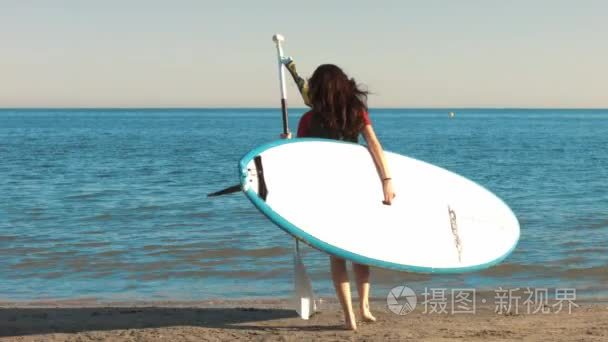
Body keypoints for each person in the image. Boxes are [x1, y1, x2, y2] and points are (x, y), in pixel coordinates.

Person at [282, 58, 396, 330]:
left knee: (338, 256)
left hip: (328, 194)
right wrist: (387, 181)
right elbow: (374, 147)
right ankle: (364, 307)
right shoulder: (356, 112)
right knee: (360, 252)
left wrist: (284, 145)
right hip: (357, 189)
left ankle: (350, 317)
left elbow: (299, 159)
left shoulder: (309, 119)